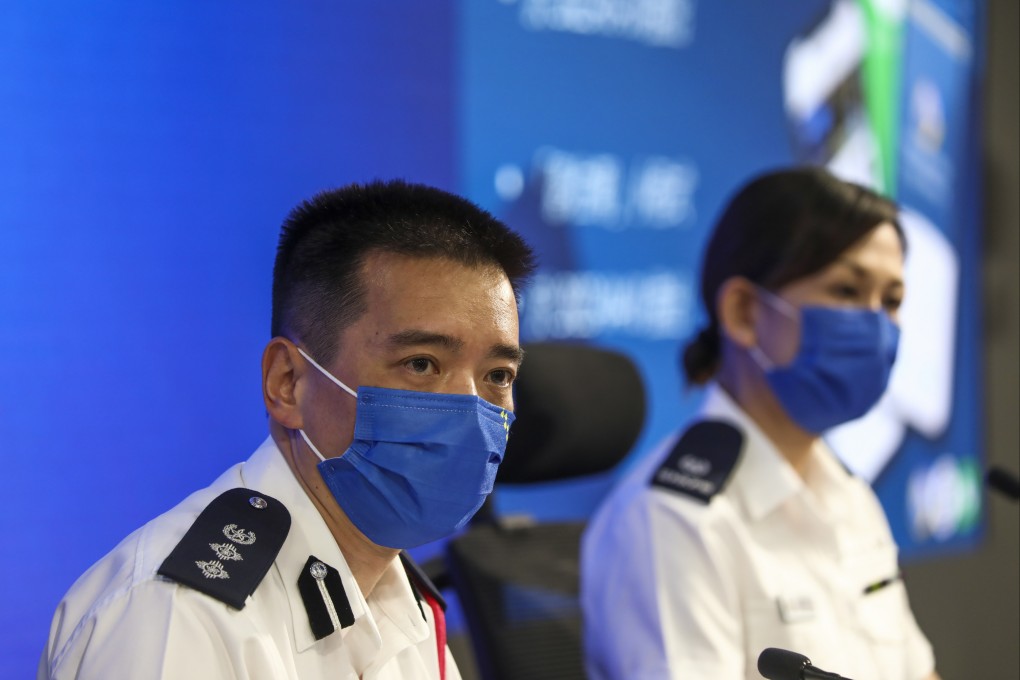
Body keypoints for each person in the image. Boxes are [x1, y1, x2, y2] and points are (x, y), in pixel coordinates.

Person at [39, 180, 536, 679]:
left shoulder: (408, 605)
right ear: (287, 383)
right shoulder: (178, 616)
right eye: (422, 364)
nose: (470, 410)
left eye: (497, 376)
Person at [581, 167, 940, 680]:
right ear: (745, 312)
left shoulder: (847, 492)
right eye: (845, 290)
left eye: (891, 301)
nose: (876, 327)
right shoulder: (673, 518)